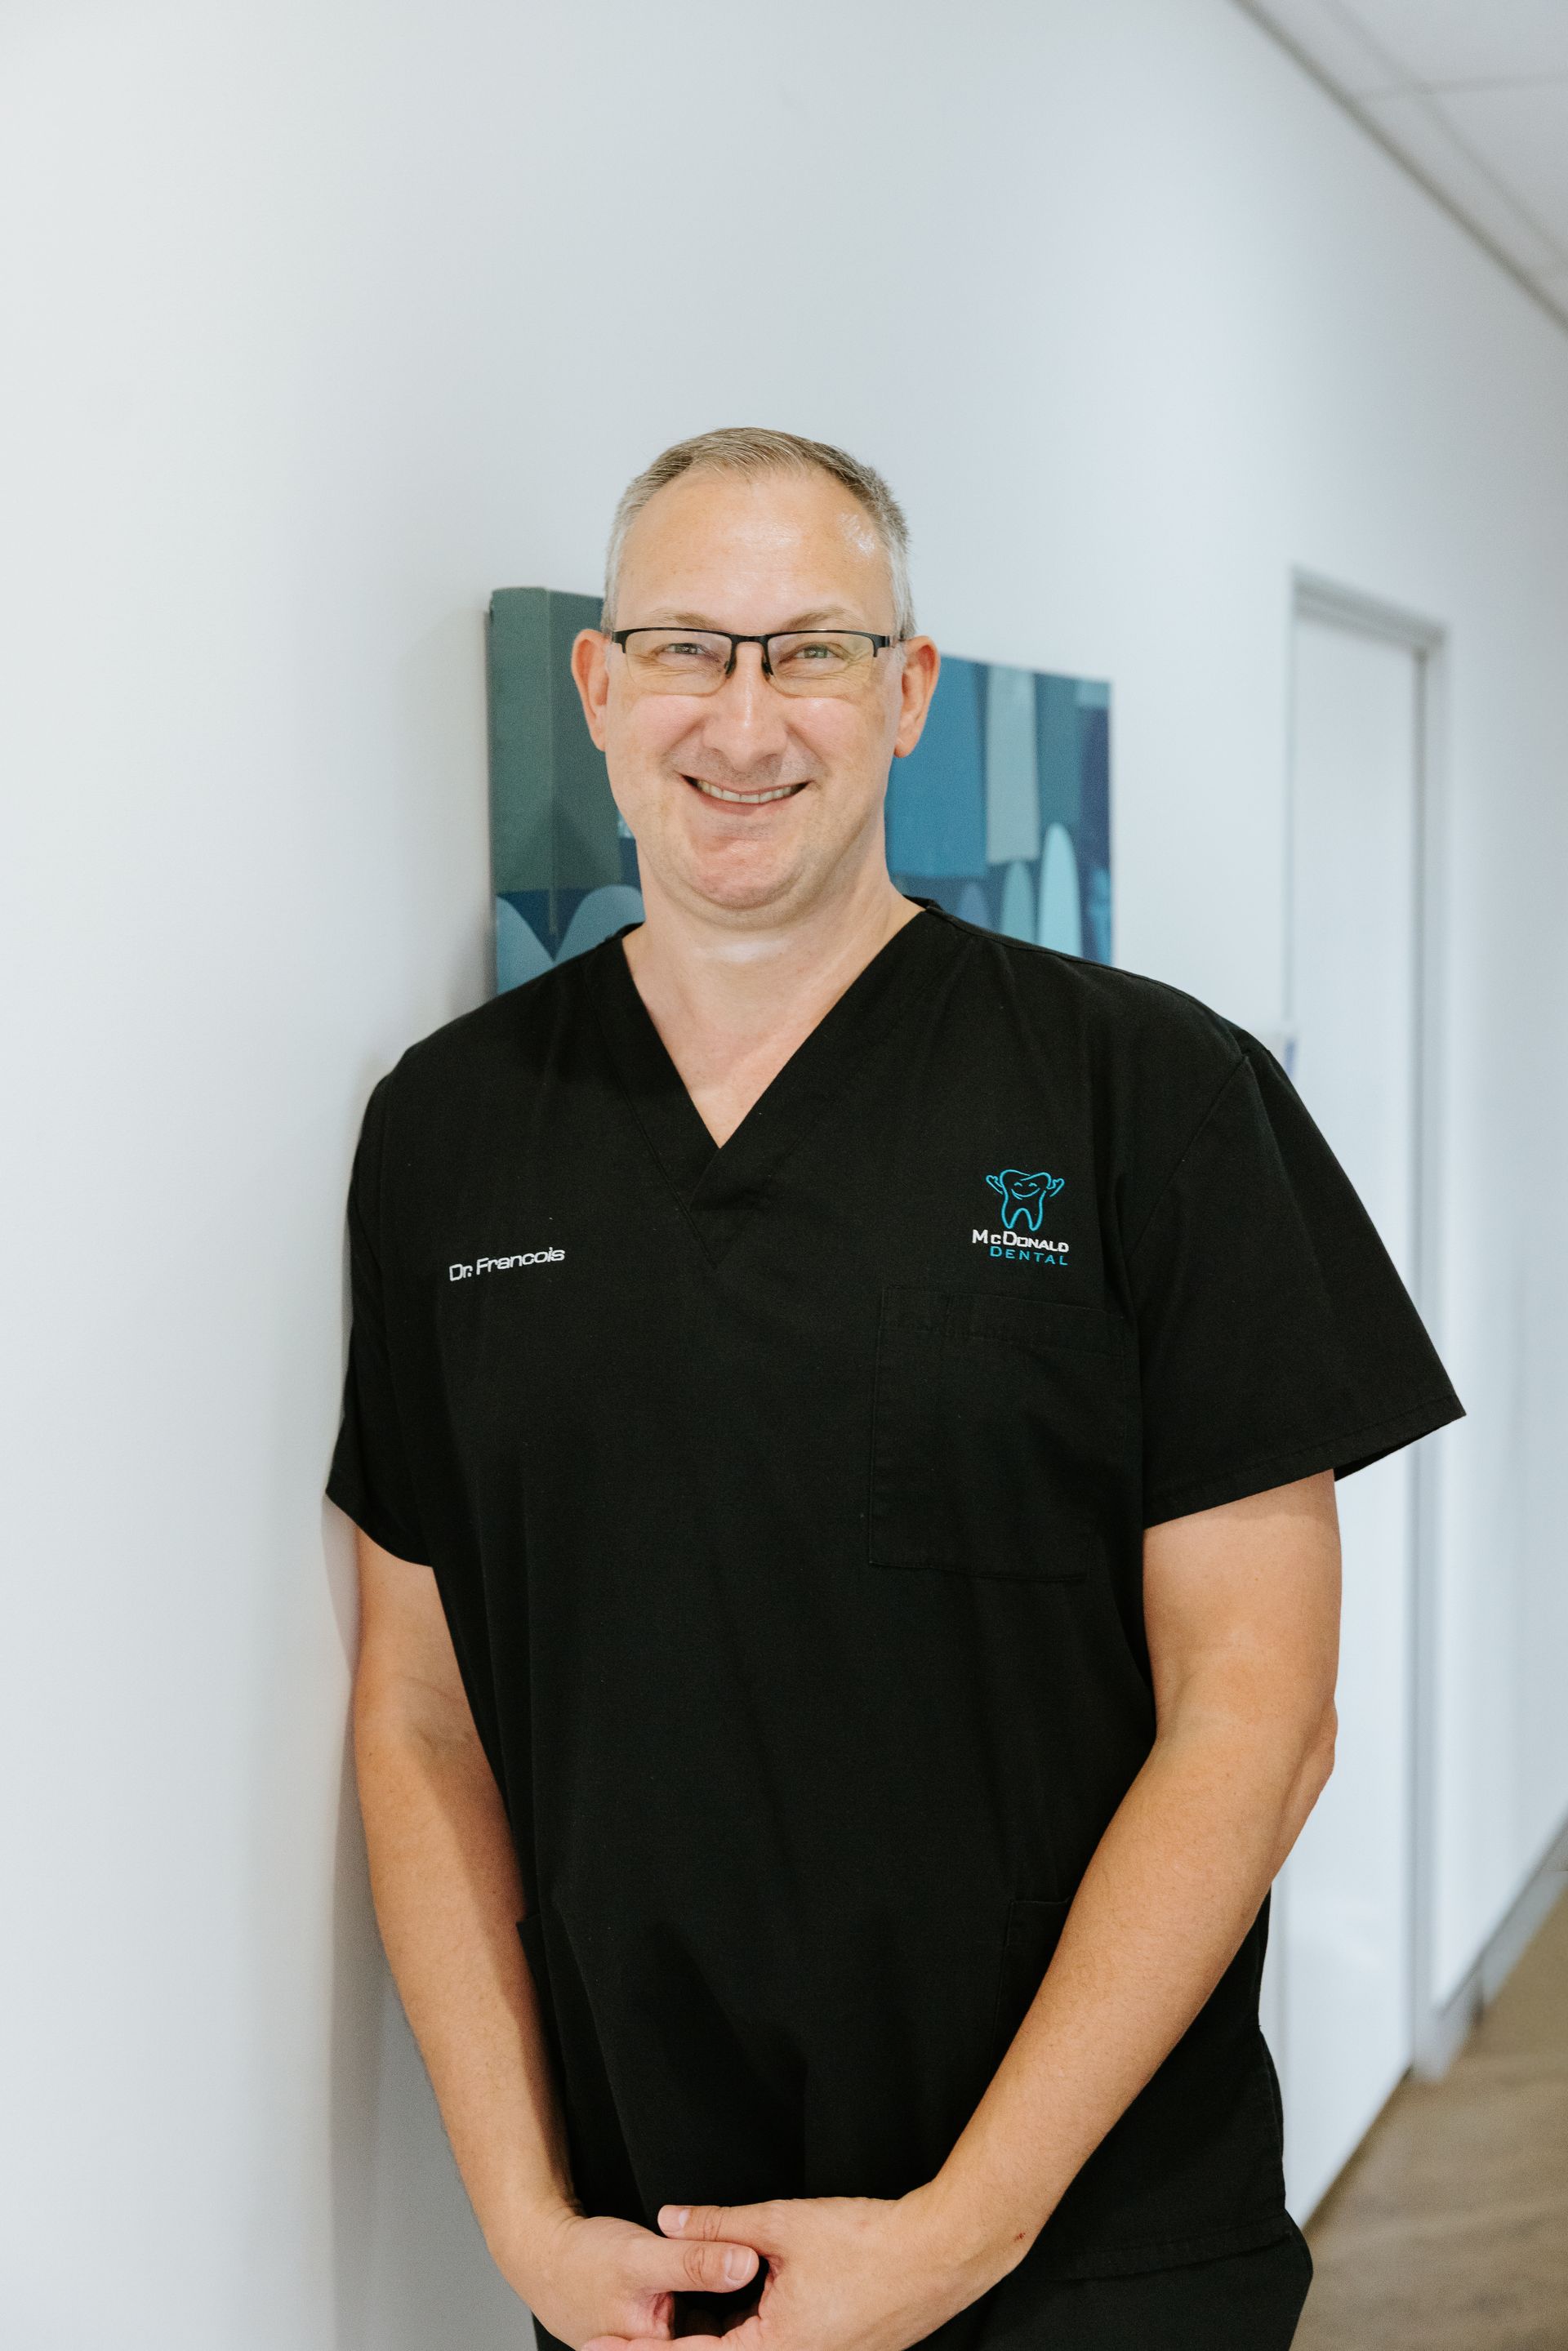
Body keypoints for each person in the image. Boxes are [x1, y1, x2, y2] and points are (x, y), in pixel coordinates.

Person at [327, 426, 1463, 2351]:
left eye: (815, 651)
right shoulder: (448, 1135)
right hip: (651, 2267)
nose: (745, 720)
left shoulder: (1151, 1101)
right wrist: (522, 2215)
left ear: (909, 692)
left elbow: (1258, 1717)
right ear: (597, 688)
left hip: (1096, 2247)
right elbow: (424, 1714)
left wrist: (965, 2228)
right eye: (687, 648)